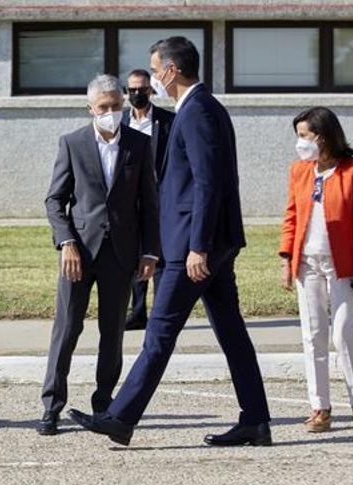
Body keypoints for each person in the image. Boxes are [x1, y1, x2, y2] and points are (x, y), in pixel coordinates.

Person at [70, 37, 272, 447]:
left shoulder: (197, 111)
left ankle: (121, 418)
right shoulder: (203, 108)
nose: (151, 80)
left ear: (171, 70)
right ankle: (256, 419)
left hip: (192, 249)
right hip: (207, 244)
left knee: (158, 334)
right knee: (232, 333)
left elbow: (207, 183)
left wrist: (198, 246)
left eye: (155, 69)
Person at [37, 74, 160, 436]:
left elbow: (148, 205)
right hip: (79, 252)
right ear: (90, 108)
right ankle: (51, 405)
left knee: (113, 333)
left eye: (116, 106)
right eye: (103, 108)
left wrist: (149, 251)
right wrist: (66, 243)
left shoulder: (139, 145)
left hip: (121, 255)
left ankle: (104, 404)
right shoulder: (72, 143)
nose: (111, 113)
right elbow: (55, 200)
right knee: (67, 329)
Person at [279, 106, 353, 433]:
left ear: (323, 136)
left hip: (344, 266)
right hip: (307, 265)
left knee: (344, 333)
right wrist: (285, 257)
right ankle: (320, 407)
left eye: (304, 136)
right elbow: (291, 215)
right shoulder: (299, 171)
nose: (300, 143)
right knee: (314, 336)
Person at [121, 69, 175, 330]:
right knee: (135, 256)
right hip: (132, 200)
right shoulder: (121, 122)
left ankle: (161, 314)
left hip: (161, 199)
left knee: (160, 256)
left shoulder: (167, 121)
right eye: (131, 89)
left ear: (151, 90)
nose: (137, 94)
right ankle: (138, 312)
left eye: (141, 89)